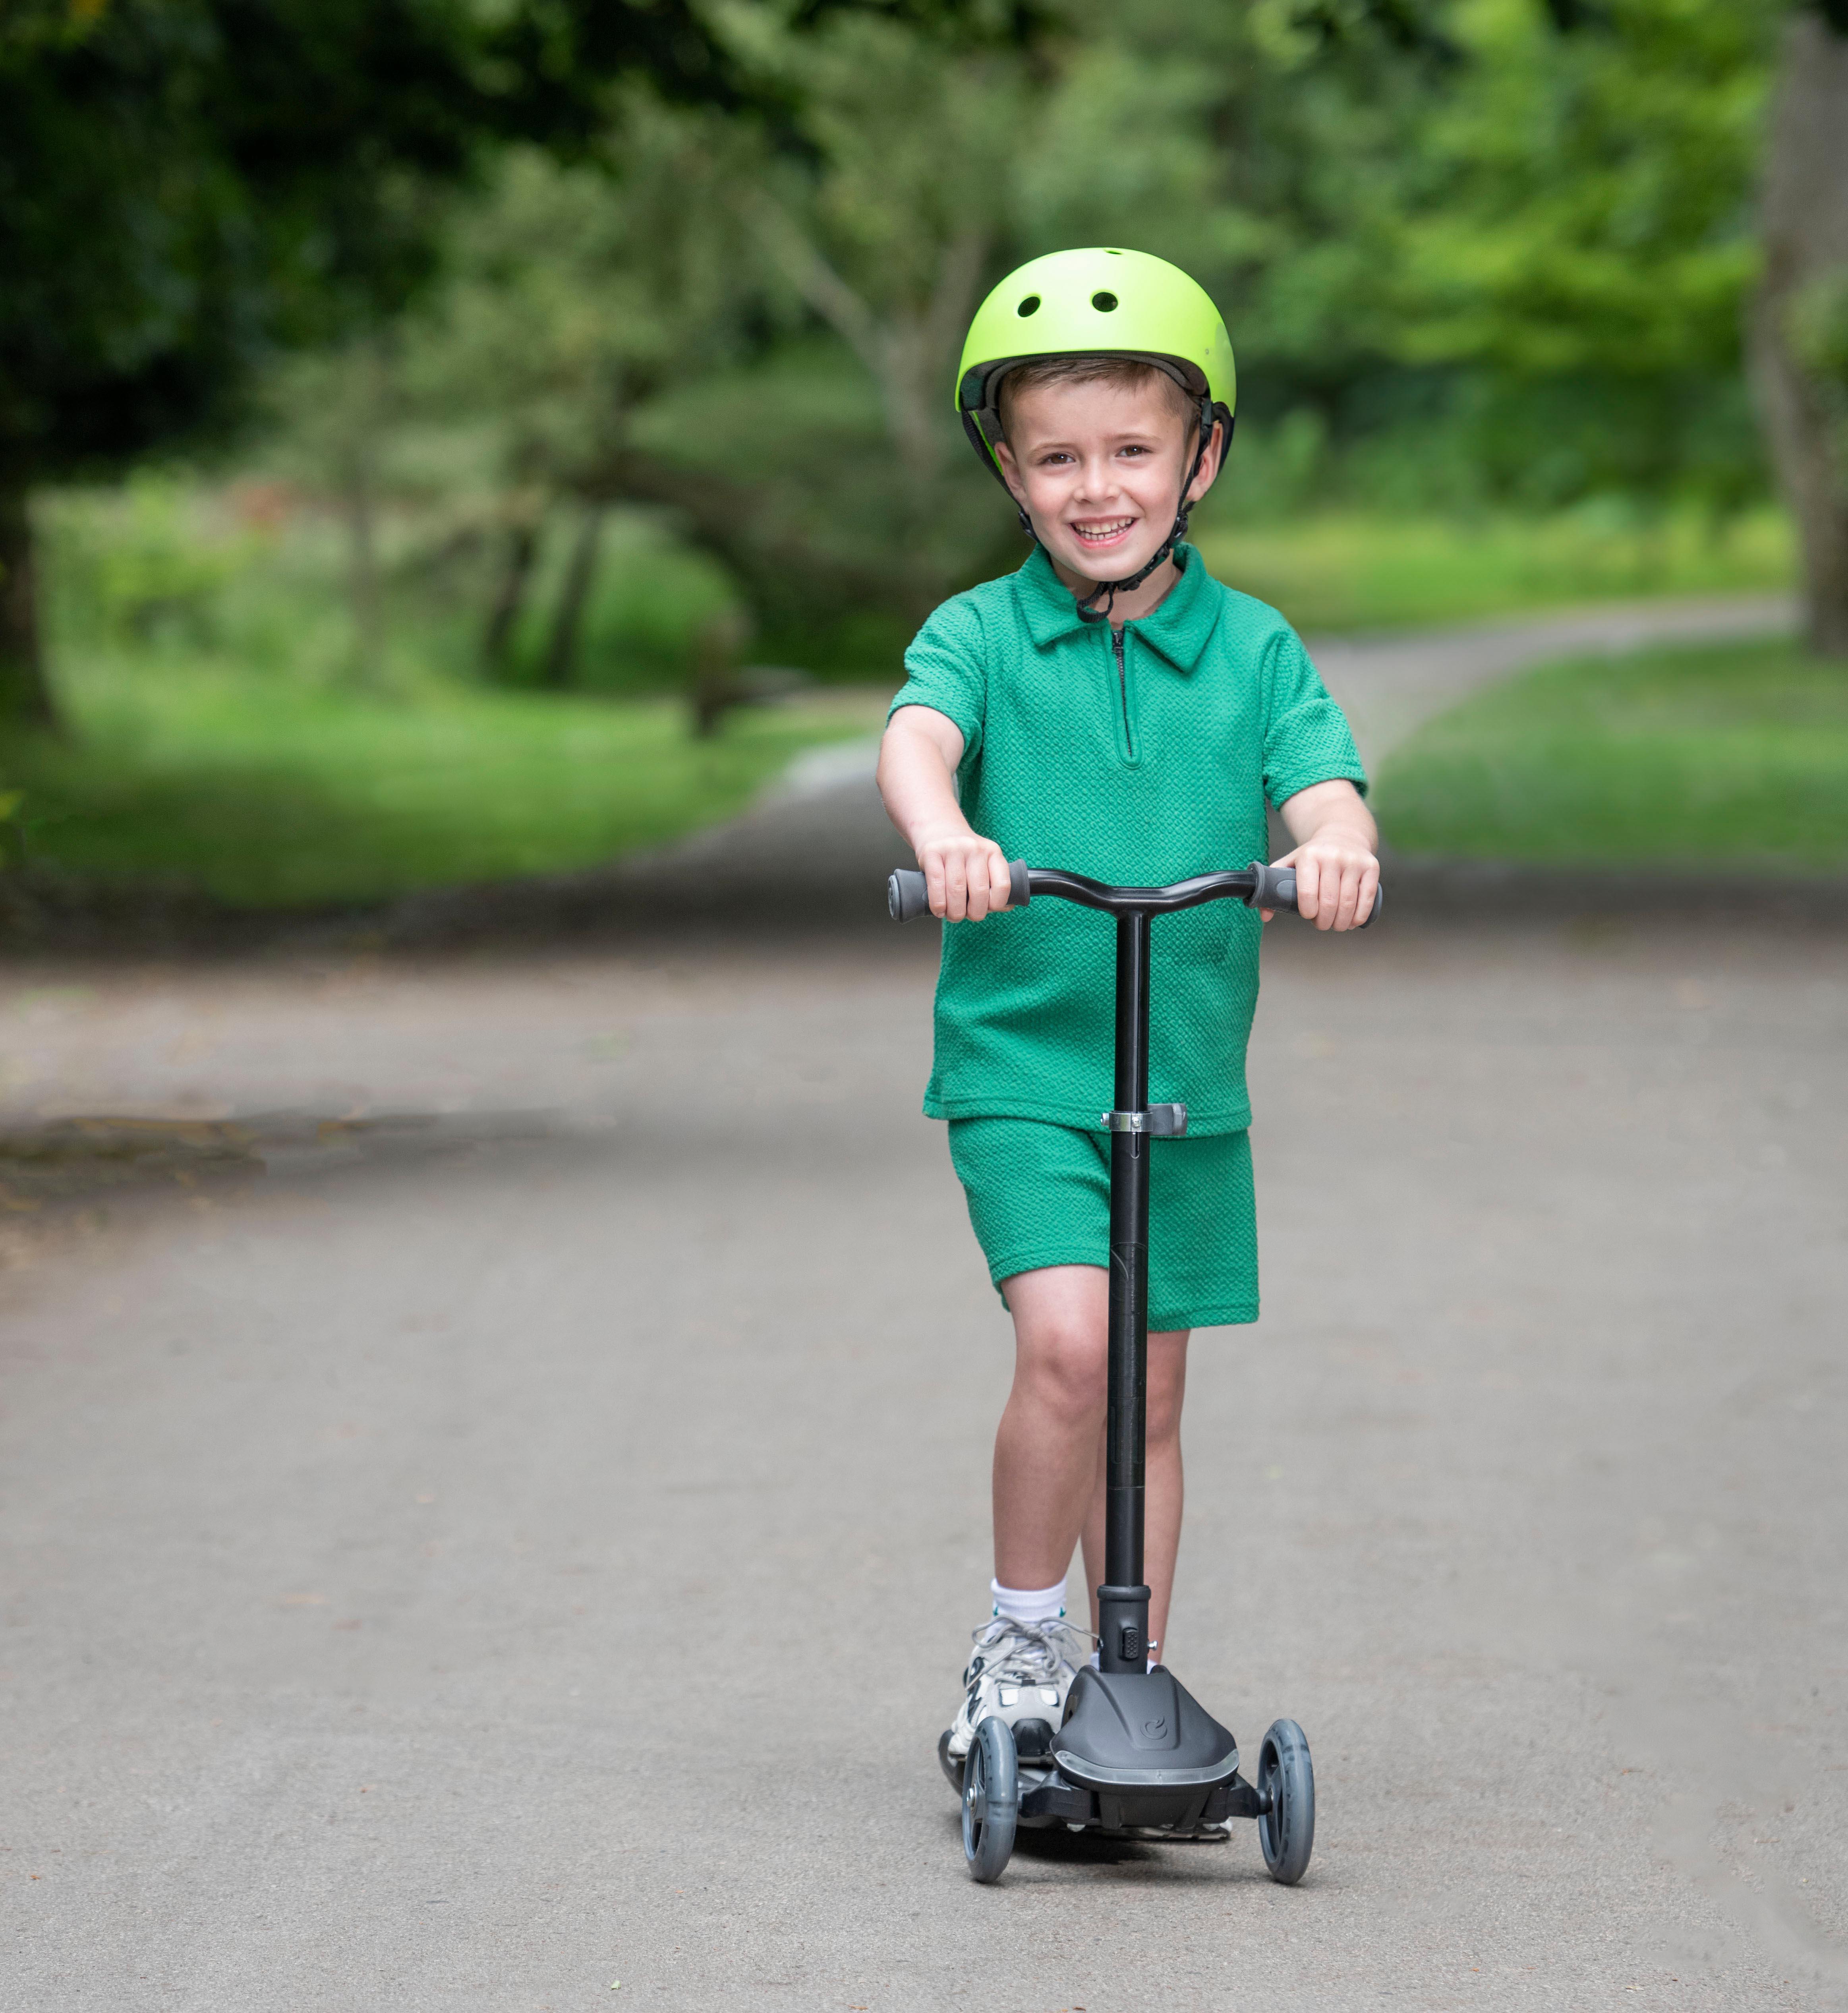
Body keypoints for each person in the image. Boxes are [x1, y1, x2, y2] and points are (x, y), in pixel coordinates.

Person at [875, 248, 1380, 1773]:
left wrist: (1336, 844)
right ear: (1012, 475)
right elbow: (917, 737)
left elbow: (1319, 774)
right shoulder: (979, 631)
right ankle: (1021, 1642)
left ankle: (1126, 1680)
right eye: (1056, 458)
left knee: (1150, 1399)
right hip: (1026, 1068)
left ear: (1199, 455)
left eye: (1130, 451)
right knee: (1072, 1354)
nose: (1097, 487)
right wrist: (942, 831)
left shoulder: (1252, 646)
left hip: (1183, 1088)